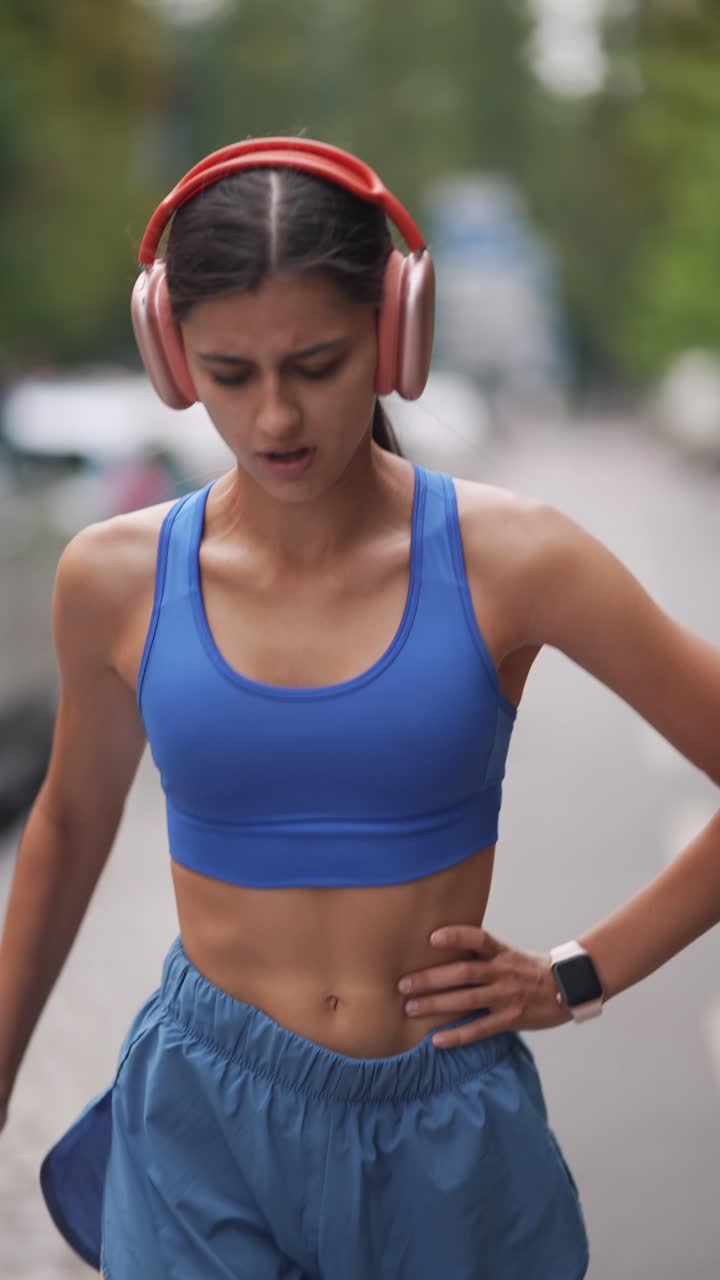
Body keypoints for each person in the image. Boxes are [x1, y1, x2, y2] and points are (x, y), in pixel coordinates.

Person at [0, 137, 718, 1280]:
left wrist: (580, 973)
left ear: (395, 334)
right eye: (230, 374)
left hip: (446, 1132)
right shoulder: (113, 577)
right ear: (172, 356)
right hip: (201, 1127)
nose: (276, 416)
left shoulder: (515, 557)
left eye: (318, 363)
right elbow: (68, 826)